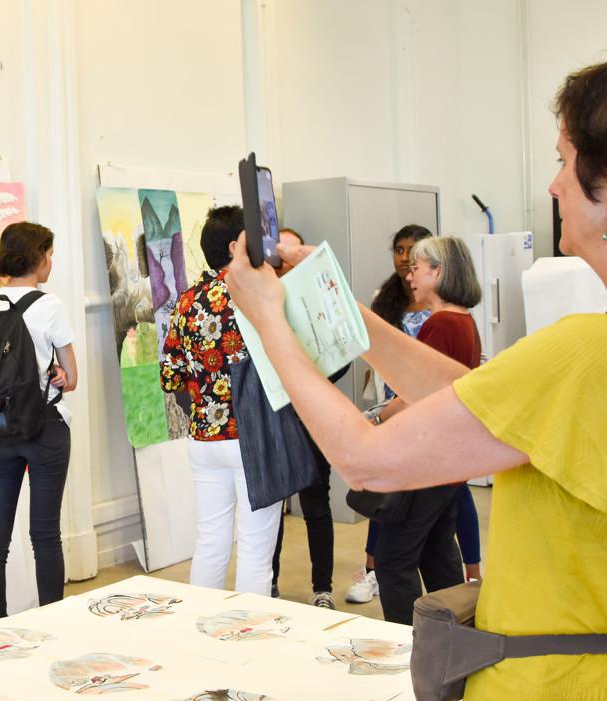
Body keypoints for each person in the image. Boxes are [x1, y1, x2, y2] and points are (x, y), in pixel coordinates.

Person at [225, 35, 607, 701]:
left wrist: (270, 319)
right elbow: (481, 397)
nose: (552, 181)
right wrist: (321, 285)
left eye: (564, 157)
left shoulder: (600, 352)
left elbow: (367, 460)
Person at [160, 206, 282, 595]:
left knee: (210, 540)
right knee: (255, 549)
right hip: (255, 437)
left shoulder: (185, 301)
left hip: (204, 439)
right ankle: (252, 637)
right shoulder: (254, 294)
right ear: (234, 246)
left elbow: (170, 375)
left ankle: (204, 632)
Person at [366, 235, 482, 624]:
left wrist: (378, 419)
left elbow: (417, 393)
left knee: (393, 561)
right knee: (438, 557)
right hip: (447, 461)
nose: (410, 274)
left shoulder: (442, 324)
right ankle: (454, 642)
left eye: (418, 267)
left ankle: (408, 647)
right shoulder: (464, 321)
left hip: (427, 460)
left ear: (439, 271)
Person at [0, 222, 78, 620]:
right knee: (45, 535)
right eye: (49, 253)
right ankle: (52, 625)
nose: (51, 261)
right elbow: (72, 378)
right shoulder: (49, 305)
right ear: (38, 257)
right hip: (44, 428)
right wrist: (58, 375)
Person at [346, 224, 433, 604]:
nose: (403, 257)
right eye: (398, 249)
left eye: (412, 250)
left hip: (428, 413)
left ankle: (470, 576)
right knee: (385, 495)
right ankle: (371, 570)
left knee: (441, 501)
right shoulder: (385, 298)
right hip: (392, 406)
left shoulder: (442, 302)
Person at [270, 228, 339, 609]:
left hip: (312, 417)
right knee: (272, 510)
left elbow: (339, 357)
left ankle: (322, 588)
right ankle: (271, 583)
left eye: (289, 250)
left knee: (316, 505)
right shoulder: (259, 302)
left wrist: (311, 381)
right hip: (276, 417)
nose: (281, 258)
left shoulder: (315, 301)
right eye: (276, 251)